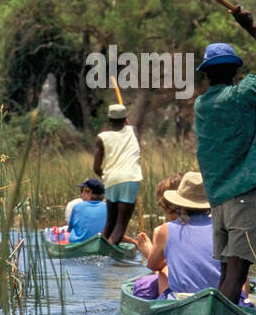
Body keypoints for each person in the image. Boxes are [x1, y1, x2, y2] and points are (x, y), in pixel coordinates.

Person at [194, 5, 256, 304]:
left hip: (220, 199)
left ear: (207, 73)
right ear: (236, 71)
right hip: (243, 195)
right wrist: (251, 27)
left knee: (227, 268)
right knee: (238, 270)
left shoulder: (202, 104)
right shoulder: (240, 95)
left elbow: (240, 116)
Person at [133, 171, 223, 300]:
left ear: (178, 203)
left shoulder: (166, 229)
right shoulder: (222, 227)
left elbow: (153, 266)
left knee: (163, 272)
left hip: (180, 298)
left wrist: (148, 251)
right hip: (217, 296)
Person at [94, 103, 142, 245]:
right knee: (121, 224)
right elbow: (138, 150)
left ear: (109, 120)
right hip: (130, 178)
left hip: (111, 180)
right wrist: (128, 124)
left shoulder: (101, 137)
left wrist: (106, 177)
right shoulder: (133, 130)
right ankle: (107, 256)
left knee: (110, 223)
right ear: (126, 118)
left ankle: (100, 249)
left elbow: (96, 168)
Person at [131, 173, 182, 296]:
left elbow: (154, 266)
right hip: (204, 283)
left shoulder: (162, 230)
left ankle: (151, 252)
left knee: (144, 284)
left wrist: (149, 252)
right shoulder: (212, 225)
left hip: (175, 287)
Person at [67, 178, 108, 242]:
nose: (82, 194)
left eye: (86, 191)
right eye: (81, 191)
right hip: (102, 243)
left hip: (79, 244)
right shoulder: (108, 207)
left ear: (94, 194)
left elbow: (69, 230)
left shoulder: (77, 207)